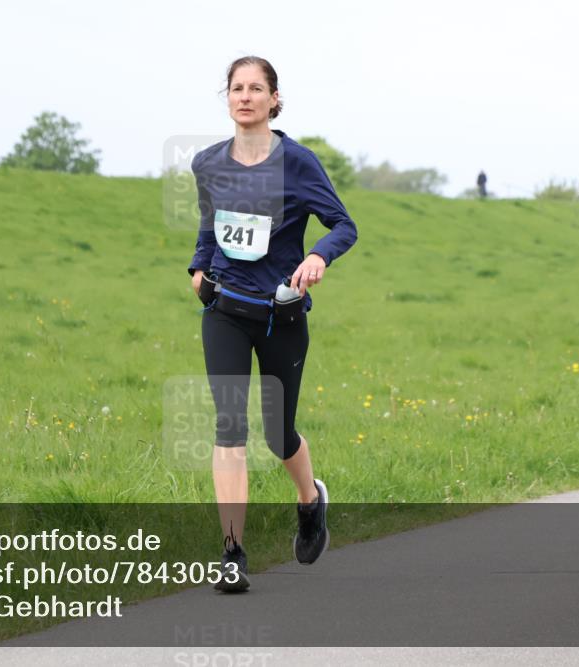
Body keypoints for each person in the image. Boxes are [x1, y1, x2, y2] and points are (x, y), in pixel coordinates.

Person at [186, 56, 358, 592]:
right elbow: (210, 226)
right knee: (229, 427)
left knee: (279, 434)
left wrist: (319, 256)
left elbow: (343, 224)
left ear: (274, 99)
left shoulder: (298, 163)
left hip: (281, 315)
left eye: (256, 88)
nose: (245, 96)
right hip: (225, 311)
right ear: (228, 97)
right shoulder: (208, 163)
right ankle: (232, 552)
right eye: (236, 88)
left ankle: (310, 502)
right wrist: (198, 267)